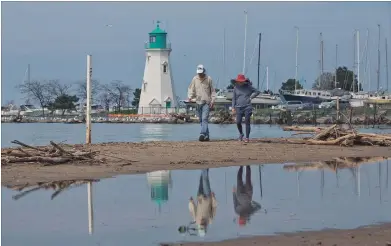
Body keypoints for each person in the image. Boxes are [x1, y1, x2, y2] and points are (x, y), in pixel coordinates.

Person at [185, 169, 217, 237]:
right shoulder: (210, 220)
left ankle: (206, 168)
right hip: (207, 196)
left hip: (199, 196)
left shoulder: (196, 220)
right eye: (203, 226)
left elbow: (192, 210)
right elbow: (214, 207)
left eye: (201, 225)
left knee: (201, 178)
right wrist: (213, 198)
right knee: (205, 180)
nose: (202, 223)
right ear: (205, 227)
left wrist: (191, 202)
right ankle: (205, 166)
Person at [188, 64, 216, 142]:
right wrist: (190, 97)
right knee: (201, 120)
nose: (199, 74)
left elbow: (213, 91)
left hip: (206, 102)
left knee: (204, 119)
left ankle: (202, 133)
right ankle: (207, 136)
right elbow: (191, 89)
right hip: (198, 102)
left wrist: (213, 100)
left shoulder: (209, 79)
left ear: (204, 71)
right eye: (198, 73)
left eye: (201, 73)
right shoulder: (195, 79)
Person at [231, 74, 260, 143]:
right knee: (238, 122)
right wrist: (233, 107)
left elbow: (257, 92)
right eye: (239, 81)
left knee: (247, 121)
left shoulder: (248, 87)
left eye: (241, 81)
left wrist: (251, 97)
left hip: (247, 106)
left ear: (244, 81)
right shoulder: (236, 88)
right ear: (237, 81)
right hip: (238, 107)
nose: (240, 83)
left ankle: (247, 137)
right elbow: (234, 98)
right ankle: (241, 134)